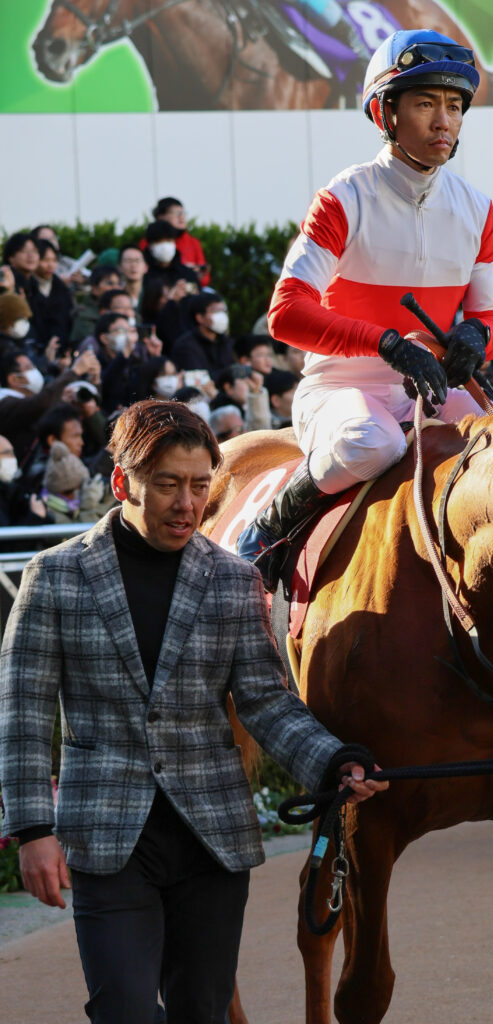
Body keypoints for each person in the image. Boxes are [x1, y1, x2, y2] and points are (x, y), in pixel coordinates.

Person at [0, 399, 387, 1024]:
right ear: (123, 483)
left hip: (212, 836)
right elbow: (22, 715)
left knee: (202, 1011)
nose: (188, 503)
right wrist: (33, 831)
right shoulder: (54, 576)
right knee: (121, 1010)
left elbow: (266, 702)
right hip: (105, 834)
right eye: (169, 485)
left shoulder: (235, 580)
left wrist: (335, 761)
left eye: (200, 486)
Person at [237, 29, 493, 587]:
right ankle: (269, 527)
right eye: (425, 104)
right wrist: (386, 344)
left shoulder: (478, 211)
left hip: (429, 394)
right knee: (373, 441)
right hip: (339, 392)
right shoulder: (343, 197)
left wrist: (476, 341)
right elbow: (285, 312)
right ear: (386, 114)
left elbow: (492, 319)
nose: (443, 122)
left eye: (454, 106)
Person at [170, 291, 235, 378]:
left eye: (223, 310)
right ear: (200, 318)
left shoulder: (227, 342)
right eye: (215, 311)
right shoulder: (185, 346)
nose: (222, 315)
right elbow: (199, 379)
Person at [147, 196, 210, 286]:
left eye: (183, 213)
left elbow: (205, 279)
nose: (181, 217)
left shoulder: (193, 242)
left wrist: (196, 275)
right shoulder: (148, 240)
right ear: (161, 217)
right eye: (176, 213)